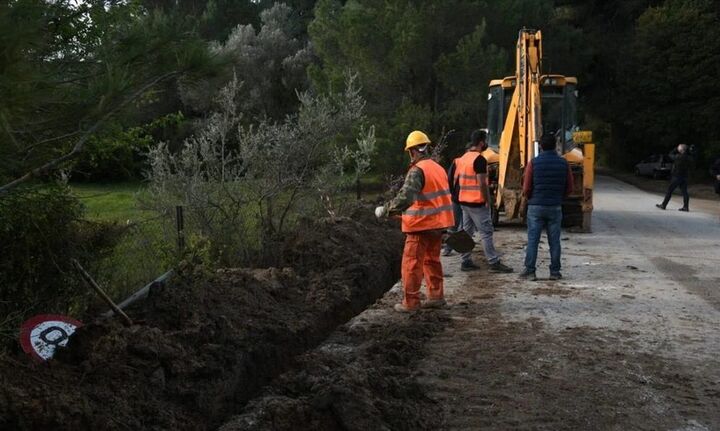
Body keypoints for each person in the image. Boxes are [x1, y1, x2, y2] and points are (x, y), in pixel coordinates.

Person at [375, 130, 455, 312]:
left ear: (412, 151)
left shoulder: (417, 170)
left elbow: (406, 197)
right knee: (432, 261)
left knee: (411, 264)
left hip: (420, 225)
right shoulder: (438, 168)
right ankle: (436, 296)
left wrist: (386, 209)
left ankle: (410, 303)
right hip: (438, 224)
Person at [451, 129, 513, 273]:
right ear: (481, 143)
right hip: (476, 203)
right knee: (486, 232)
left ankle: (465, 261)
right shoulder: (479, 159)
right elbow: (482, 183)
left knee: (467, 232)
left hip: (464, 202)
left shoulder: (463, 158)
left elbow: (457, 180)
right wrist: (487, 200)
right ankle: (493, 261)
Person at [520, 133, 574, 281]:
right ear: (555, 145)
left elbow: (526, 188)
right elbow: (570, 188)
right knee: (555, 241)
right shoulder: (564, 163)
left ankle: (530, 271)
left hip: (536, 207)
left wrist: (530, 198)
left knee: (533, 240)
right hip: (555, 207)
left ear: (541, 146)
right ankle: (555, 272)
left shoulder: (533, 163)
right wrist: (559, 198)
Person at [656, 144, 692, 211]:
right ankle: (686, 207)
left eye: (679, 148)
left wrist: (676, 149)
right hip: (685, 177)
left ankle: (663, 205)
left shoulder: (678, 156)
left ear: (681, 149)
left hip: (677, 176)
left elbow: (670, 154)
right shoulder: (689, 157)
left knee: (670, 191)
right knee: (685, 192)